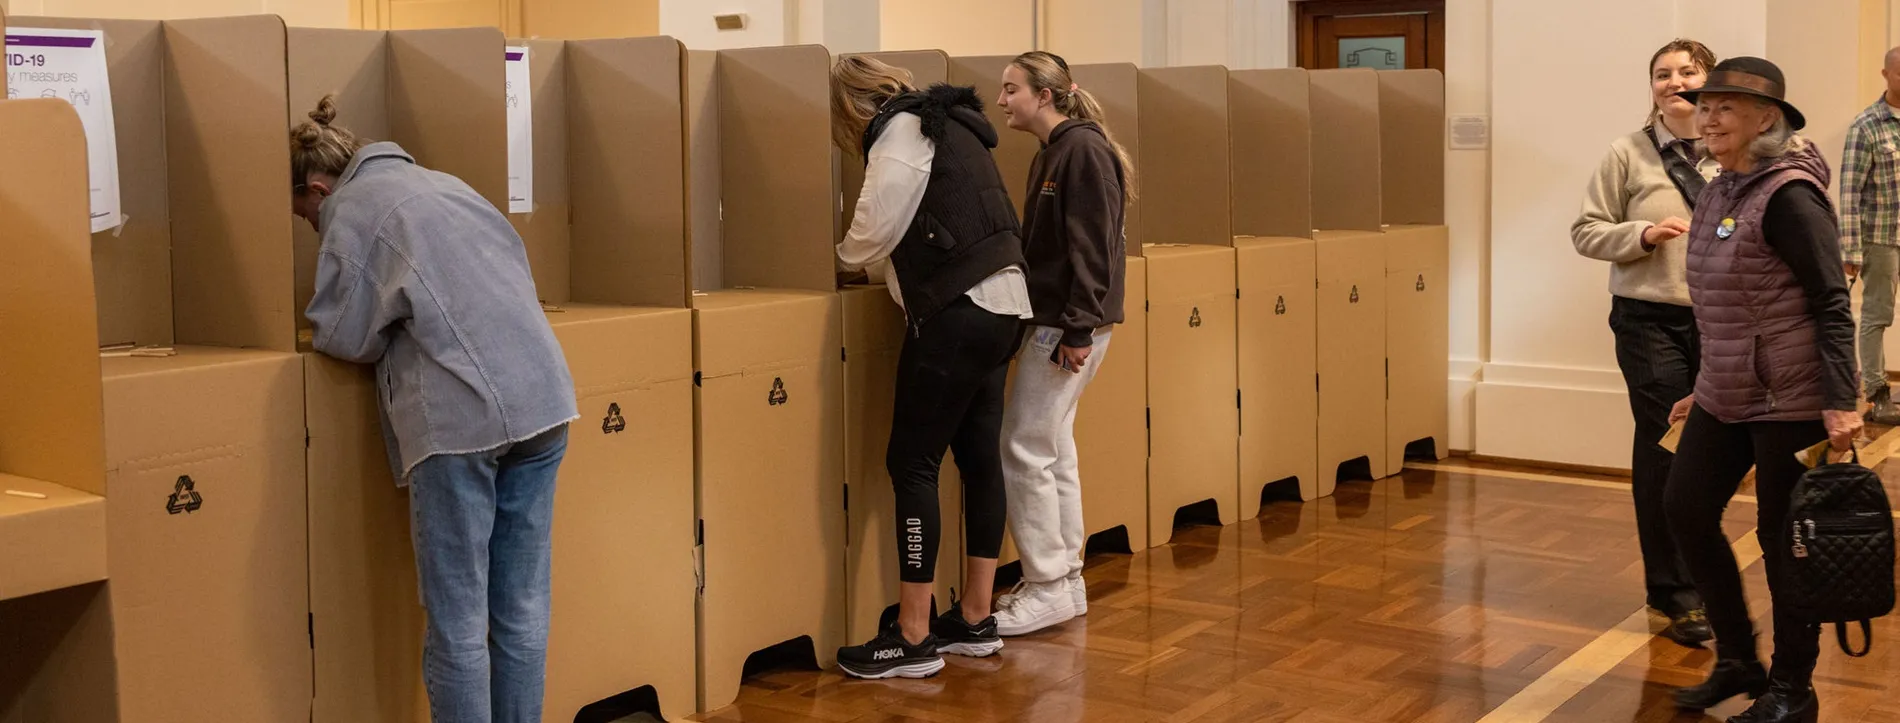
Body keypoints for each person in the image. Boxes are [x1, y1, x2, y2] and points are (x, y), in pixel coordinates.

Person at [291, 95, 578, 723]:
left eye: (305, 215)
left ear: (318, 188)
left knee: (458, 619)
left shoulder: (352, 209)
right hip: (544, 398)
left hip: (462, 419)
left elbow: (342, 332)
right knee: (522, 608)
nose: (312, 226)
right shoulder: (447, 184)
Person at [1667, 58, 1862, 723]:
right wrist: (1704, 382)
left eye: (1726, 106)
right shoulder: (1723, 185)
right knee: (1686, 507)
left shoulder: (1789, 195)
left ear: (1767, 119)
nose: (1708, 116)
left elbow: (1832, 301)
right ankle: (1737, 659)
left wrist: (1842, 397)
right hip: (1727, 388)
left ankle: (1791, 689)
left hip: (1793, 395)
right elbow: (1723, 303)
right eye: (1705, 105)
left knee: (1784, 540)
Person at [828, 56, 1032, 679]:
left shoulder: (901, 128)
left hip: (959, 308)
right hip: (1007, 303)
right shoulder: (954, 124)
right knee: (977, 460)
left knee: (911, 462)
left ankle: (913, 634)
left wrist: (836, 259)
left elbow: (873, 228)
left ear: (854, 106)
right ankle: (974, 617)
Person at [1570, 38, 1720, 648]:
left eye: (1688, 72)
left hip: (1721, 324)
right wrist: (1644, 234)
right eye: (1663, 74)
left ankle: (1696, 578)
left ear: (1712, 83)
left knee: (1707, 449)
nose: (1675, 81)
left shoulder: (1732, 152)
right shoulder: (1626, 153)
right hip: (1647, 320)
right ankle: (1674, 595)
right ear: (1651, 85)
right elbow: (1586, 231)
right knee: (1668, 445)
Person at [990, 50, 1131, 637]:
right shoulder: (1054, 152)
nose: (1002, 102)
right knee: (1053, 448)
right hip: (1061, 321)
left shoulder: (1082, 150)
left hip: (1068, 326)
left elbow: (1094, 248)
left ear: (1045, 96)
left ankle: (1047, 582)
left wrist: (1076, 327)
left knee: (1023, 447)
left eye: (1010, 90)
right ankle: (1064, 579)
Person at [1840, 46, 1900, 425]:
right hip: (1881, 237)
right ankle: (1877, 394)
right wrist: (1851, 249)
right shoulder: (1866, 126)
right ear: (1885, 74)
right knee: (1877, 316)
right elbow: (1849, 193)